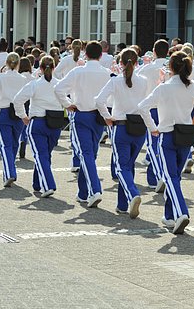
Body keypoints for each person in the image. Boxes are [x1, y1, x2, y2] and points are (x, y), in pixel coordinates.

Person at [138, 51, 194, 233]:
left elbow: (142, 106)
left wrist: (153, 127)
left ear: (171, 68)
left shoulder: (164, 87)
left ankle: (181, 212)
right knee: (175, 177)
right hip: (186, 134)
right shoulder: (193, 86)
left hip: (167, 133)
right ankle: (169, 215)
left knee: (170, 177)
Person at [54, 41, 112, 208]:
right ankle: (83, 192)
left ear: (85, 54)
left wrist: (68, 104)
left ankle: (95, 189)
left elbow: (58, 89)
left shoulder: (78, 71)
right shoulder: (106, 72)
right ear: (101, 55)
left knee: (86, 154)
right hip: (99, 116)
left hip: (82, 114)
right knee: (90, 154)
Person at [95, 49, 148, 218]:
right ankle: (122, 204)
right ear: (137, 62)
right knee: (129, 165)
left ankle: (132, 194)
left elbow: (99, 100)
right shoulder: (144, 81)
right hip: (139, 127)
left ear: (121, 63)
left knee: (121, 167)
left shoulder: (116, 81)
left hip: (122, 125)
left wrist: (107, 117)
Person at [14, 56, 66, 198]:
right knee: (45, 154)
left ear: (40, 69)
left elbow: (17, 100)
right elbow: (67, 102)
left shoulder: (35, 84)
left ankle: (48, 185)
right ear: (54, 68)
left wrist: (23, 116)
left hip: (38, 122)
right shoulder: (59, 84)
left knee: (40, 154)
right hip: (55, 123)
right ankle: (37, 183)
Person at [0, 52, 27, 187]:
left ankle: (9, 172)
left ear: (7, 64)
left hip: (3, 110)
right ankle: (10, 170)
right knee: (14, 144)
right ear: (18, 64)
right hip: (18, 113)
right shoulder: (22, 79)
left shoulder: (0, 77)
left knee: (5, 145)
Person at [137, 39, 171, 192]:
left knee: (152, 145)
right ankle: (156, 175)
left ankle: (158, 176)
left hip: (151, 108)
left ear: (154, 51)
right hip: (167, 109)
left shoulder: (146, 68)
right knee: (162, 144)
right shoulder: (171, 68)